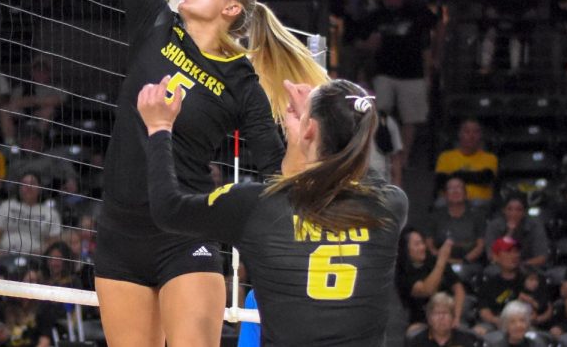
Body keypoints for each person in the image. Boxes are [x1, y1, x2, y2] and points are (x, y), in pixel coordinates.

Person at [92, 0, 330, 347]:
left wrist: (303, 145)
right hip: (118, 231)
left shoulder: (241, 78)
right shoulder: (154, 23)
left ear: (231, 8)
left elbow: (273, 170)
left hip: (187, 233)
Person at [139, 76, 407, 346]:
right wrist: (325, 123)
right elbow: (359, 170)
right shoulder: (391, 206)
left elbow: (167, 210)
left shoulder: (256, 205)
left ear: (309, 130)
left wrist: (159, 128)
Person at [359, 0, 441, 170]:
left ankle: (403, 158)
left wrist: (437, 55)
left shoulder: (416, 11)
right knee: (380, 112)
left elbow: (438, 25)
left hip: (412, 73)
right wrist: (370, 45)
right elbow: (360, 43)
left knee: (410, 118)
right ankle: (380, 153)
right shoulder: (376, 15)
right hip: (384, 72)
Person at [329, 0, 387, 85]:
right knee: (347, 86)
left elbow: (389, 11)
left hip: (376, 43)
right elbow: (334, 7)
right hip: (351, 41)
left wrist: (379, 35)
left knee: (377, 86)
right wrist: (346, 8)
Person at [396, 227, 466, 335]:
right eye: (417, 244)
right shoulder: (402, 273)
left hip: (450, 315)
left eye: (423, 243)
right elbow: (427, 290)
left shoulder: (433, 260)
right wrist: (442, 260)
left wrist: (456, 317)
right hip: (423, 320)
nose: (422, 247)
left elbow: (459, 289)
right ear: (406, 248)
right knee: (413, 334)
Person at [0, 172, 62, 257]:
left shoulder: (50, 213)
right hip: (5, 255)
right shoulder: (7, 206)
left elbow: (53, 241)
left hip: (36, 258)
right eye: (24, 184)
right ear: (19, 188)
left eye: (32, 183)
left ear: (40, 188)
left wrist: (41, 253)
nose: (28, 187)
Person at [426, 177, 486, 274]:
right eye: (451, 188)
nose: (455, 191)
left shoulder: (477, 216)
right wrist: (442, 260)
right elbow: (429, 245)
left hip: (469, 264)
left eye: (459, 188)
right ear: (445, 195)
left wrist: (463, 261)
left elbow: (480, 246)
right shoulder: (435, 217)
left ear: (466, 194)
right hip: (440, 263)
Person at [435, 119, 499, 207]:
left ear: (480, 135)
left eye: (475, 132)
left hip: (479, 201)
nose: (471, 136)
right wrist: (473, 177)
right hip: (450, 200)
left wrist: (455, 175)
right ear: (460, 134)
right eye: (467, 131)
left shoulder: (490, 158)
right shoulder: (445, 156)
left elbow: (485, 178)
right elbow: (441, 181)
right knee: (440, 203)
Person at [475, 237, 526, 335]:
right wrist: (497, 320)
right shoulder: (488, 284)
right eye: (508, 252)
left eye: (516, 252)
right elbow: (484, 311)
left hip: (523, 323)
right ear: (496, 257)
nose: (514, 256)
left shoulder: (528, 281)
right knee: (479, 331)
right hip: (496, 323)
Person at [484, 193, 549, 269]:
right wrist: (510, 232)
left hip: (527, 265)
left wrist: (519, 265)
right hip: (501, 267)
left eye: (518, 210)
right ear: (503, 210)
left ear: (524, 212)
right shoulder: (494, 226)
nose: (514, 214)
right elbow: (492, 256)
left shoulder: (535, 225)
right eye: (509, 209)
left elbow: (542, 257)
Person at [407, 292, 480, 347]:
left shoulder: (465, 341)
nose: (441, 318)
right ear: (429, 319)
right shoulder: (417, 342)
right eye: (437, 313)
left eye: (445, 313)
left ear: (453, 318)